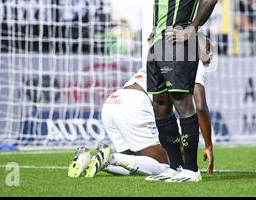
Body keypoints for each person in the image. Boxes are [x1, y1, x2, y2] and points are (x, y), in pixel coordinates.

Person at [67, 35, 215, 179]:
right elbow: (200, 107)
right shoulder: (191, 60)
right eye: (208, 46)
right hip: (134, 105)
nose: (211, 52)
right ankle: (111, 158)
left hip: (113, 102)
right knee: (170, 164)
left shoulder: (162, 52)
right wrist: (208, 145)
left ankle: (91, 160)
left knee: (132, 161)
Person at [146, 0, 217, 183]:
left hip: (179, 45)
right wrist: (155, 27)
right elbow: (163, 3)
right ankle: (173, 167)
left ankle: (191, 170)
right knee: (160, 106)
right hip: (158, 44)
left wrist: (191, 29)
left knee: (182, 104)